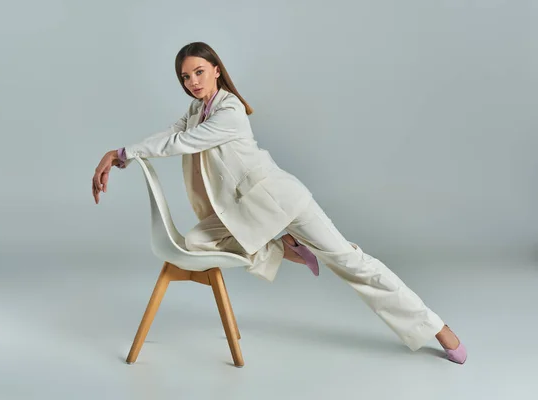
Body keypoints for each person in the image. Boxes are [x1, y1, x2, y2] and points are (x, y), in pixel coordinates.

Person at [91, 42, 467, 364]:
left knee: (351, 262)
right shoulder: (194, 111)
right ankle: (281, 247)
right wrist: (120, 157)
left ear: (217, 71)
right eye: (186, 78)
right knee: (192, 243)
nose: (193, 83)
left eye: (199, 72)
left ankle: (438, 328)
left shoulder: (229, 111)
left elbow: (180, 144)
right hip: (242, 213)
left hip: (282, 200)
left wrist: (120, 152)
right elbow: (171, 133)